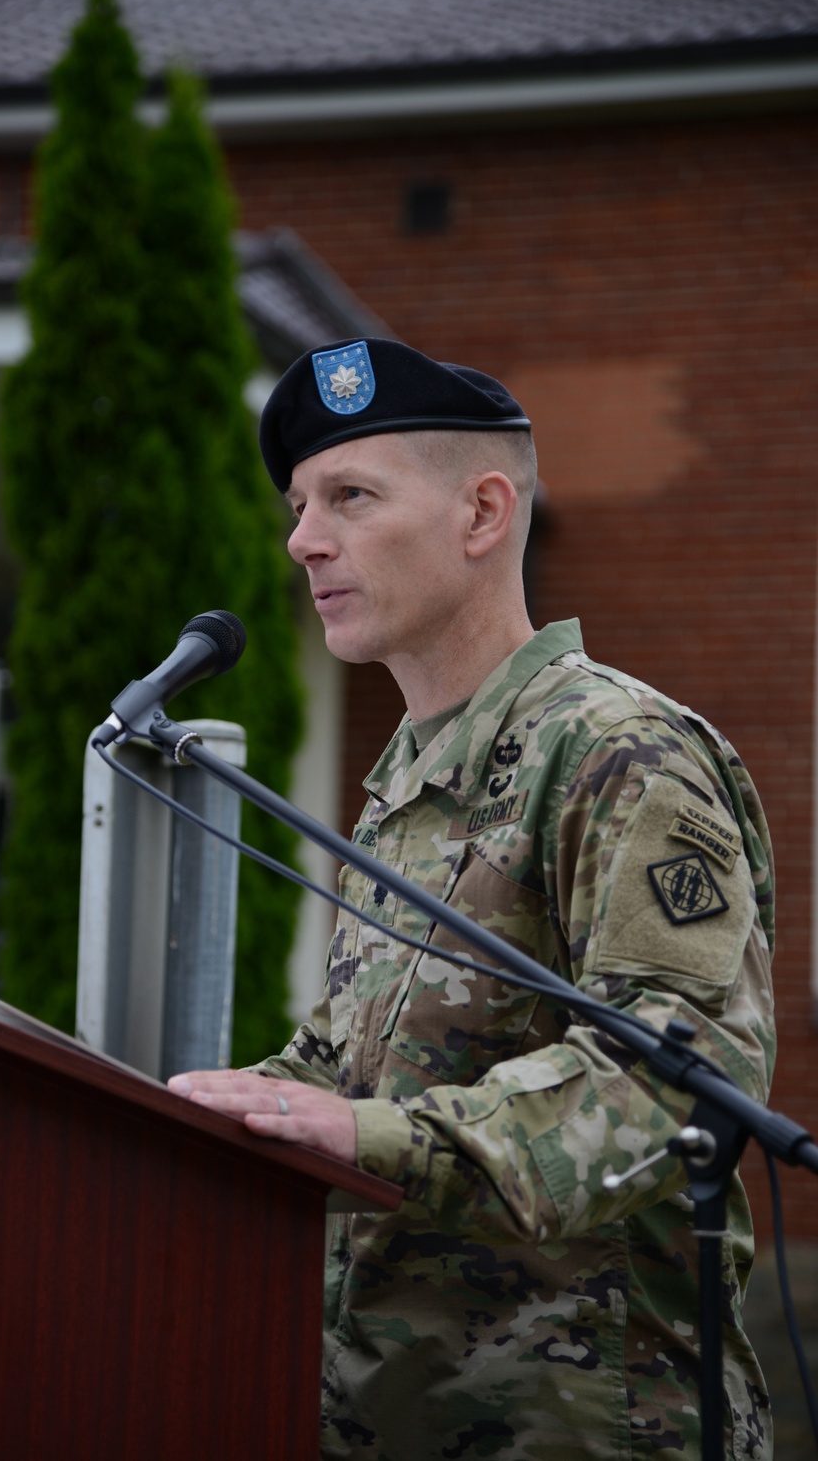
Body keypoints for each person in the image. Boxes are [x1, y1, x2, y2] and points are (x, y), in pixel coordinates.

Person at [167, 338, 775, 1461]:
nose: (303, 538)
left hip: (586, 1425)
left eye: (349, 495)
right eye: (301, 504)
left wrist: (370, 1136)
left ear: (483, 512)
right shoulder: (406, 778)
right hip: (384, 1415)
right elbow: (351, 1065)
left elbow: (671, 1079)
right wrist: (211, 1106)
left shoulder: (619, 752)